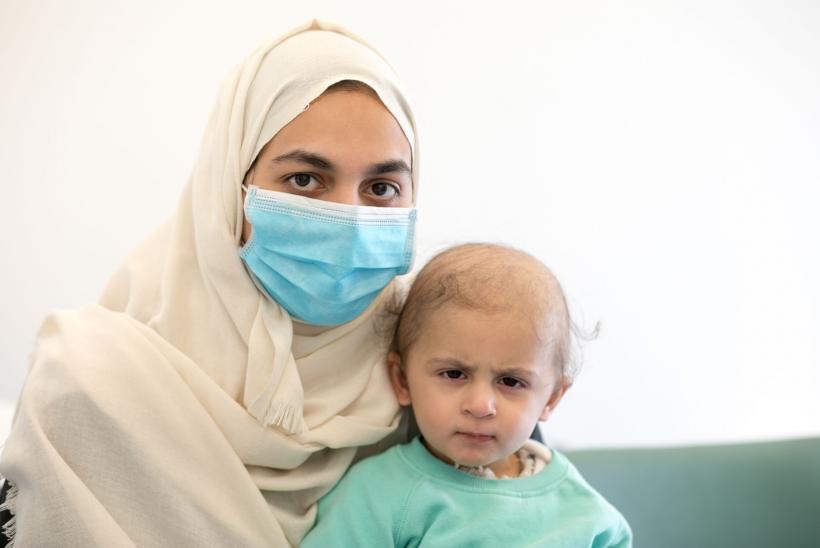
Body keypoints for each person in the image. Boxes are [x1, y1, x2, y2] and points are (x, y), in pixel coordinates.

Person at [0, 20, 420, 547]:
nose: (348, 219)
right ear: (230, 187)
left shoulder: (438, 380)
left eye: (381, 187)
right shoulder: (85, 386)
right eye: (305, 179)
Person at [301, 243, 633, 547]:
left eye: (511, 381)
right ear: (402, 380)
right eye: (454, 374)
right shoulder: (376, 495)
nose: (480, 406)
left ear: (551, 399)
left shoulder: (585, 512)